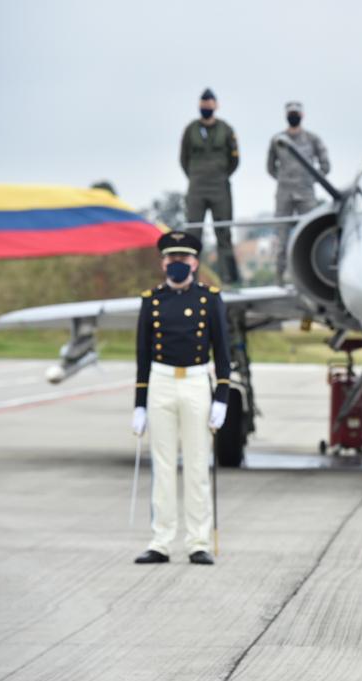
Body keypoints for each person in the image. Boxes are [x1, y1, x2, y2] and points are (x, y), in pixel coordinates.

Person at [131, 231, 231, 565]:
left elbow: (223, 351)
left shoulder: (209, 298)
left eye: (183, 259)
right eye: (171, 259)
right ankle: (161, 541)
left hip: (195, 382)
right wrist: (139, 404)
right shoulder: (152, 300)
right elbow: (142, 356)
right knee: (162, 467)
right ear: (163, 263)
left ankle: (198, 542)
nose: (177, 264)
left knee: (197, 465)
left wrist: (221, 396)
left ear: (195, 262)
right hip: (160, 381)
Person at [266, 101, 330, 284]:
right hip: (284, 194)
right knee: (281, 239)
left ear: (302, 115)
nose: (293, 116)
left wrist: (310, 180)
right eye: (290, 113)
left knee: (311, 237)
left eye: (296, 113)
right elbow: (270, 167)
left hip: (306, 194)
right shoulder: (278, 140)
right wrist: (283, 179)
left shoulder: (312, 139)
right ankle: (279, 280)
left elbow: (325, 165)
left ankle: (311, 280)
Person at [180, 88, 240, 284]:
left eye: (209, 103)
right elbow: (183, 159)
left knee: (224, 233)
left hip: (220, 188)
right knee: (193, 235)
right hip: (197, 188)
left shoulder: (226, 129)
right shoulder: (191, 130)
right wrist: (196, 176)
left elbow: (234, 160)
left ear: (216, 105)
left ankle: (229, 281)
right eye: (203, 103)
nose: (206, 106)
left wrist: (220, 174)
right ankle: (190, 280)